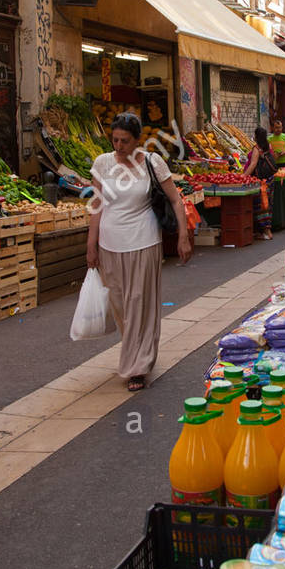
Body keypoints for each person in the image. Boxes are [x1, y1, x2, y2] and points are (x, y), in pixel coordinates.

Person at [87, 113, 192, 392]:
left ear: (137, 141)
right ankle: (135, 351)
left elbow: (175, 199)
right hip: (110, 245)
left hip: (143, 241)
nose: (119, 146)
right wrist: (91, 245)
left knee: (140, 304)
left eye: (125, 141)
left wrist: (183, 236)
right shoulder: (103, 163)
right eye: (115, 140)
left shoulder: (151, 162)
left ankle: (138, 366)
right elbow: (97, 205)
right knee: (121, 305)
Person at [243, 126, 277, 240]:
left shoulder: (257, 148)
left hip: (261, 181)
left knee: (261, 205)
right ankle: (267, 230)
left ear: (256, 136)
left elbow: (253, 164)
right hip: (270, 180)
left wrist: (243, 177)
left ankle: (266, 231)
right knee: (268, 205)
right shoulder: (268, 146)